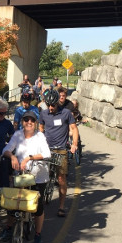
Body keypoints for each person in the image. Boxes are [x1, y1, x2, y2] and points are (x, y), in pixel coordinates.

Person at [2, 110, 51, 243]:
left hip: (38, 176)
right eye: (26, 120)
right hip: (21, 176)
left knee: (37, 207)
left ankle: (38, 234)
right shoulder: (18, 135)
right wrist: (12, 156)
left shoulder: (40, 136)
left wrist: (29, 157)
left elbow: (47, 153)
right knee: (15, 203)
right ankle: (9, 228)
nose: (29, 122)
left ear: (36, 123)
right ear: (23, 122)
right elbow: (6, 149)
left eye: (32, 120)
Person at [38, 89, 79, 217]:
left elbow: (74, 129)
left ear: (57, 103)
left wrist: (74, 144)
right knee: (42, 176)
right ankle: (40, 201)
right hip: (46, 150)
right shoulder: (44, 114)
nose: (50, 108)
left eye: (53, 105)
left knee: (61, 178)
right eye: (48, 105)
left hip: (61, 150)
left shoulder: (66, 113)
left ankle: (61, 206)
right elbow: (40, 130)